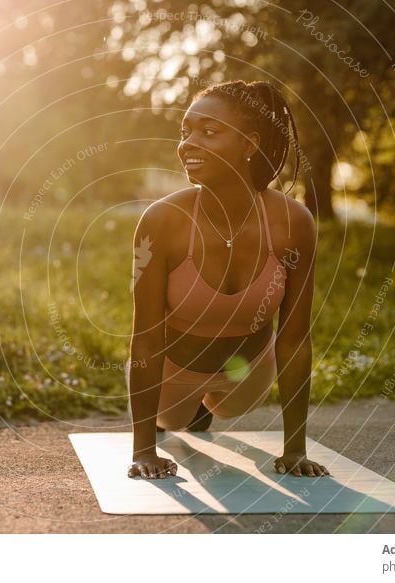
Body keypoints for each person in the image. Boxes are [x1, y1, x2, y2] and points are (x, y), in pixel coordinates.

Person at [126, 79, 330, 480]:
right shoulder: (162, 221)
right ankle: (191, 411)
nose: (188, 144)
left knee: (231, 405)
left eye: (209, 132)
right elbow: (146, 337)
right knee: (178, 421)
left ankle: (209, 405)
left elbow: (294, 338)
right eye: (185, 132)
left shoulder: (294, 224)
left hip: (247, 376)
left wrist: (295, 450)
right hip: (175, 378)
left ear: (249, 144)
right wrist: (143, 450)